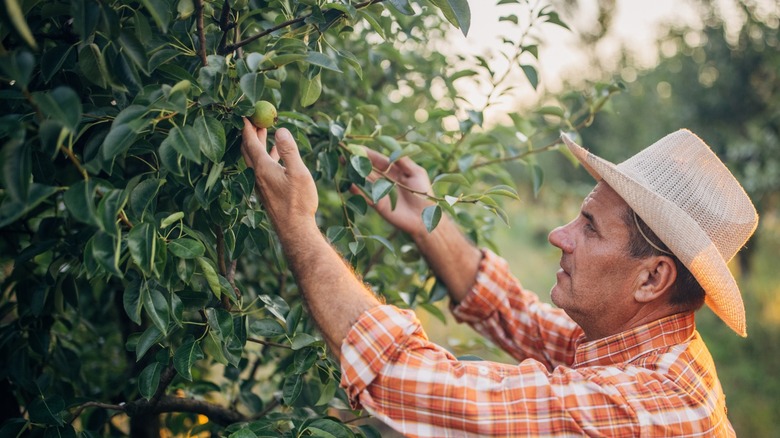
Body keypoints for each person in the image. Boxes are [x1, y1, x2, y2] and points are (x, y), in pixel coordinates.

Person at [240, 121, 757, 437]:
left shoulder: (646, 407)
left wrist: (297, 223)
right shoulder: (637, 345)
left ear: (652, 279)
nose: (560, 235)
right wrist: (427, 218)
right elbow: (513, 314)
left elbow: (408, 381)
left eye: (591, 228)